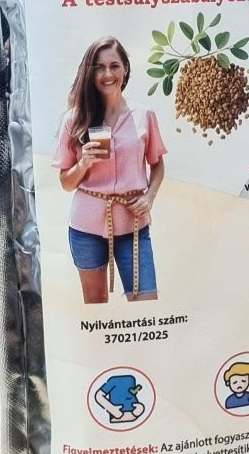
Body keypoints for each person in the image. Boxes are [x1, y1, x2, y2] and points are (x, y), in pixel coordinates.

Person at [54, 36, 166, 304]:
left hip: (133, 224)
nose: (108, 74)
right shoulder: (74, 119)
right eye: (100, 67)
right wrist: (83, 163)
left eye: (114, 66)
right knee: (96, 306)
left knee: (146, 302)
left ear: (125, 68)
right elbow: (66, 183)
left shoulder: (144, 115)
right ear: (90, 73)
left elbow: (157, 163)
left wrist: (149, 197)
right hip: (86, 228)